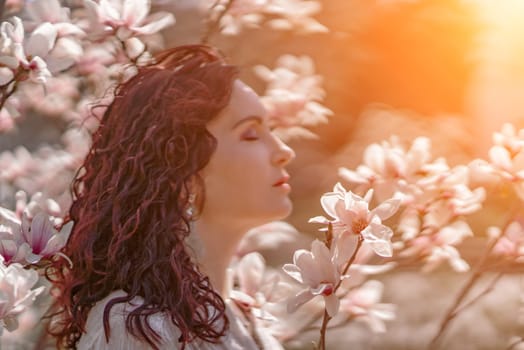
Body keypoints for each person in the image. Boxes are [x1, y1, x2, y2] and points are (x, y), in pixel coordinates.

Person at [47, 44, 295, 349]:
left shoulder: (247, 321)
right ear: (181, 170)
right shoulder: (137, 327)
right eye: (251, 134)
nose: (285, 151)